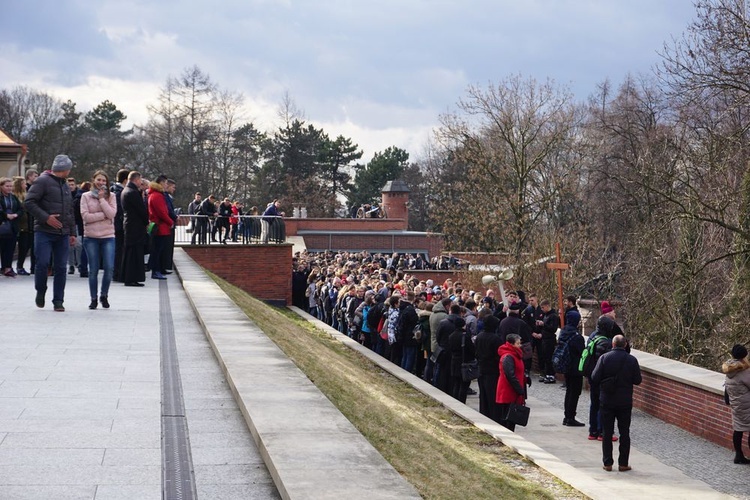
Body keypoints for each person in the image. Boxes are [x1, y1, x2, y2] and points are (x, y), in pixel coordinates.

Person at [24, 155, 76, 311]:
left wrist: (72, 232)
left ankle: (58, 300)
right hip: (44, 231)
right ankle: (41, 290)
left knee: (61, 267)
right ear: (64, 169)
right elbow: (29, 202)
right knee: (42, 263)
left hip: (63, 233)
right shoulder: (42, 181)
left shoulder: (65, 185)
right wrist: (46, 218)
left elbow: (69, 211)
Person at [591, 334, 642, 472]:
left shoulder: (604, 358)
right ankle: (623, 463)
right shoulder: (632, 360)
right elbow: (638, 380)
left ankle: (607, 463)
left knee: (607, 432)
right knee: (624, 432)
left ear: (612, 345)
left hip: (607, 400)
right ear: (625, 345)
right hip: (624, 401)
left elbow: (594, 377)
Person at [80, 170, 117, 309]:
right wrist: (104, 215)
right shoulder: (85, 196)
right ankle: (93, 298)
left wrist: (102, 199)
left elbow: (112, 213)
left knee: (109, 268)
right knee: (93, 269)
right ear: (93, 181)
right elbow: (86, 217)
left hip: (108, 236)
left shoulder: (111, 196)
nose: (101, 183)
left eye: (104, 181)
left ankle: (104, 295)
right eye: (99, 180)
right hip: (91, 237)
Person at [722, 344, 750, 464]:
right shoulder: (744, 372)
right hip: (747, 405)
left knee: (738, 430)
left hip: (736, 405)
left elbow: (727, 388)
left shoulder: (729, 370)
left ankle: (738, 455)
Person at [120, 171, 148, 287]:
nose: (141, 182)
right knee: (134, 253)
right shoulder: (132, 193)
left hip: (130, 225)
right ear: (136, 180)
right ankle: (132, 277)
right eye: (140, 180)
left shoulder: (126, 191)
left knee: (130, 252)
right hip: (135, 226)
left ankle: (129, 277)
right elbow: (141, 210)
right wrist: (146, 221)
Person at [559, 309, 586, 426]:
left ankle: (567, 416)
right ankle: (570, 417)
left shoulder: (563, 332)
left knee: (569, 391)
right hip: (575, 368)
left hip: (565, 365)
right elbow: (582, 352)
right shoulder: (576, 336)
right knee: (574, 393)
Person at [496, 333, 527, 432]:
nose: (520, 345)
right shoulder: (509, 356)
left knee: (511, 416)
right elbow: (509, 374)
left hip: (513, 389)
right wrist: (519, 389)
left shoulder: (515, 355)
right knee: (507, 415)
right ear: (511, 344)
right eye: (518, 343)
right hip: (509, 390)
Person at [475, 314, 502, 421]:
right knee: (492, 395)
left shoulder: (480, 336)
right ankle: (494, 416)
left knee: (483, 394)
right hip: (493, 370)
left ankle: (484, 414)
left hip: (481, 368)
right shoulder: (496, 339)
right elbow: (499, 355)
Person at [147, 175, 173, 280]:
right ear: (161, 183)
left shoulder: (154, 194)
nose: (167, 185)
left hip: (160, 225)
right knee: (157, 250)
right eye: (166, 183)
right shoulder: (157, 196)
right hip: (160, 227)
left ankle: (157, 270)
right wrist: (170, 222)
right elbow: (162, 212)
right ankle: (156, 271)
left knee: (157, 249)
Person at [0, 177, 23, 277]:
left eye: (10, 186)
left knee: (10, 248)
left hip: (12, 226)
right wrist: (6, 216)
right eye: (7, 186)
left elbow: (21, 209)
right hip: (2, 225)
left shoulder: (13, 197)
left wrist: (16, 215)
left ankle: (7, 268)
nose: (9, 188)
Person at [111, 168, 129, 282]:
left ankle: (118, 272)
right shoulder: (119, 192)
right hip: (119, 225)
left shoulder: (114, 190)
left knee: (119, 249)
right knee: (119, 250)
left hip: (117, 224)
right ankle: (117, 273)